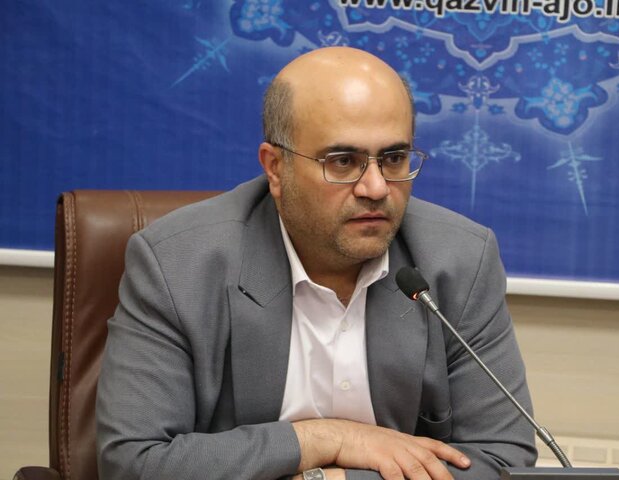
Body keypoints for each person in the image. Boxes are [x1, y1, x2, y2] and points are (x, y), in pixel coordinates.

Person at [96, 46, 536, 480]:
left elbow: (503, 458)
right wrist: (326, 438)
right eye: (343, 162)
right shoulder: (178, 264)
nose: (376, 188)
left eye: (393, 159)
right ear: (275, 167)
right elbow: (134, 463)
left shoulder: (459, 260)